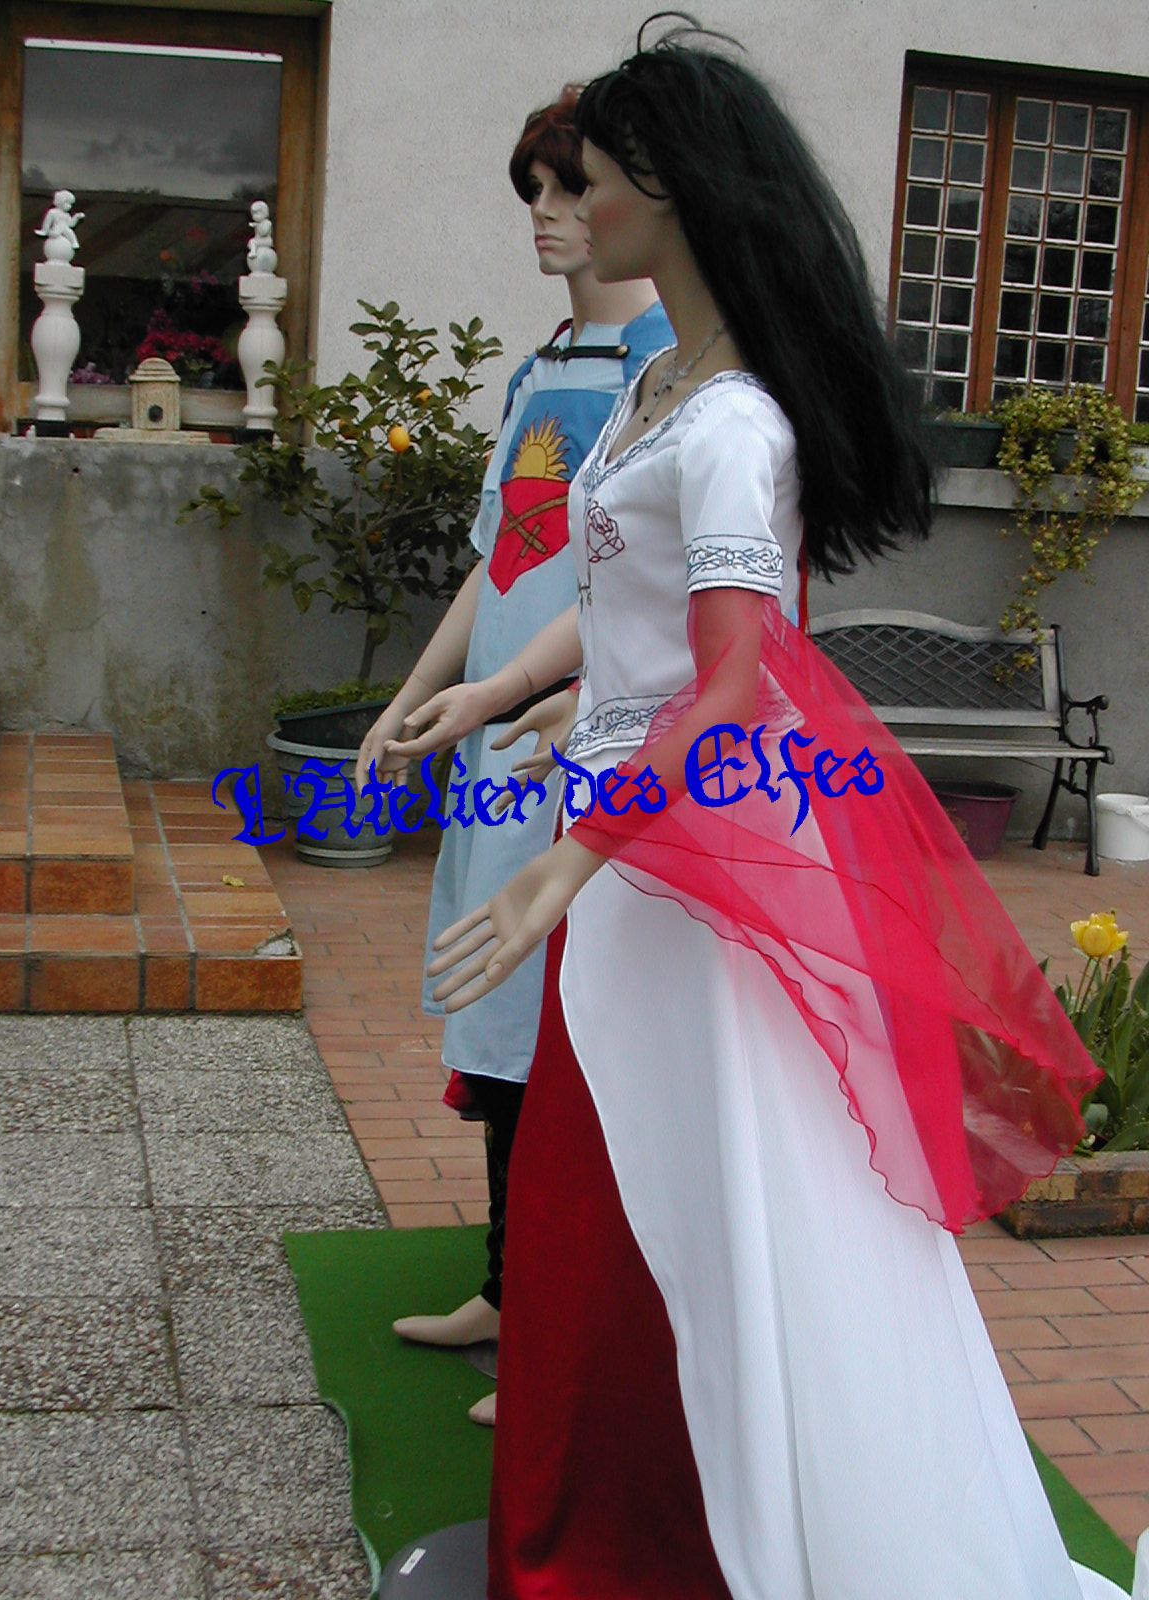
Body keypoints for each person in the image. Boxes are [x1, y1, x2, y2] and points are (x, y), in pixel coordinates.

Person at [398, 17, 1112, 1599]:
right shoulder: (660, 386)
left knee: (717, 1186)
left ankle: (722, 1527)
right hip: (634, 839)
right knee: (628, 1187)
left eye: (591, 178)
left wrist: (571, 863)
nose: (575, 205)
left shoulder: (732, 425)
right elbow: (632, 606)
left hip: (685, 858)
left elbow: (734, 682)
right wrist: (508, 691)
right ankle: (637, 1511)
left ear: (666, 186)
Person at [356, 84, 671, 1427]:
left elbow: (671, 596)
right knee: (496, 1025)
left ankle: (560, 1324)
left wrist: (574, 698)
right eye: (533, 191)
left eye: (566, 187)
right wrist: (414, 696)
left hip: (596, 754)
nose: (544, 215)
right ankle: (505, 1289)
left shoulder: (675, 375)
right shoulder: (541, 374)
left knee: (571, 1028)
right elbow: (503, 562)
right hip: (503, 743)